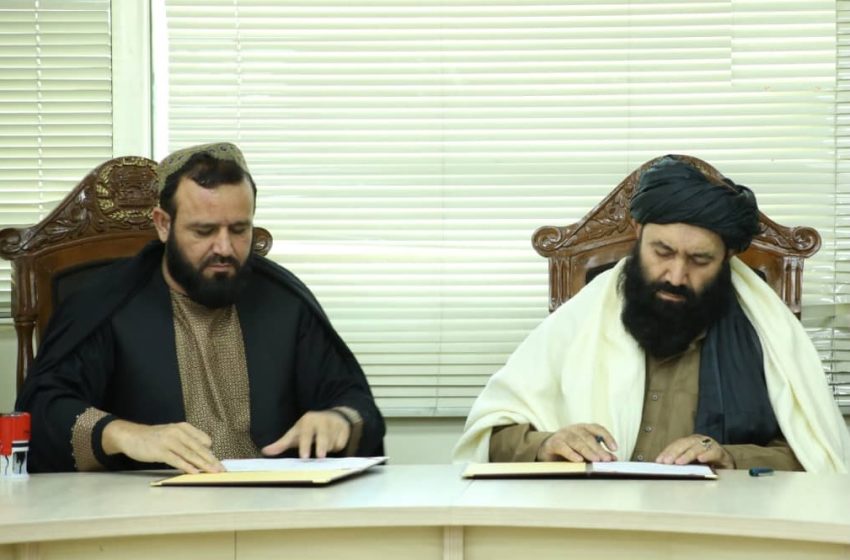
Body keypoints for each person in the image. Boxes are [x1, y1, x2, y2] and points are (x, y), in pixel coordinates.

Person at [454, 155, 850, 473]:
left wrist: (731, 457)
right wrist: (547, 444)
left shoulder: (767, 334)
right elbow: (493, 438)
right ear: (637, 230)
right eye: (662, 252)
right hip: (591, 525)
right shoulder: (580, 320)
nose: (676, 276)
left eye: (699, 260)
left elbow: (817, 455)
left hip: (720, 529)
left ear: (727, 257)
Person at [16, 142, 385, 473]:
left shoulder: (284, 301)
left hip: (273, 506)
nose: (224, 248)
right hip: (148, 510)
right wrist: (124, 434)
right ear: (163, 225)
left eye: (239, 230)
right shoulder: (107, 304)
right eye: (204, 231)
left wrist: (338, 419)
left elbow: (355, 403)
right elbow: (44, 411)